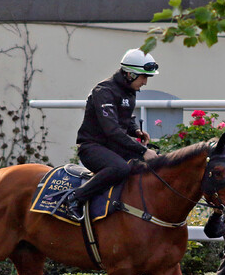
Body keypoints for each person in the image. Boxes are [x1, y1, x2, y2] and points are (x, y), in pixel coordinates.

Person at [64, 48, 160, 221]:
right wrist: (142, 150)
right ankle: (75, 198)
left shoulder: (128, 91)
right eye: (144, 76)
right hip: (92, 148)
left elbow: (125, 118)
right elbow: (112, 130)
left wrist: (135, 130)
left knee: (156, 162)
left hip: (113, 147)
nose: (145, 82)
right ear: (130, 74)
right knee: (120, 168)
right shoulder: (104, 91)